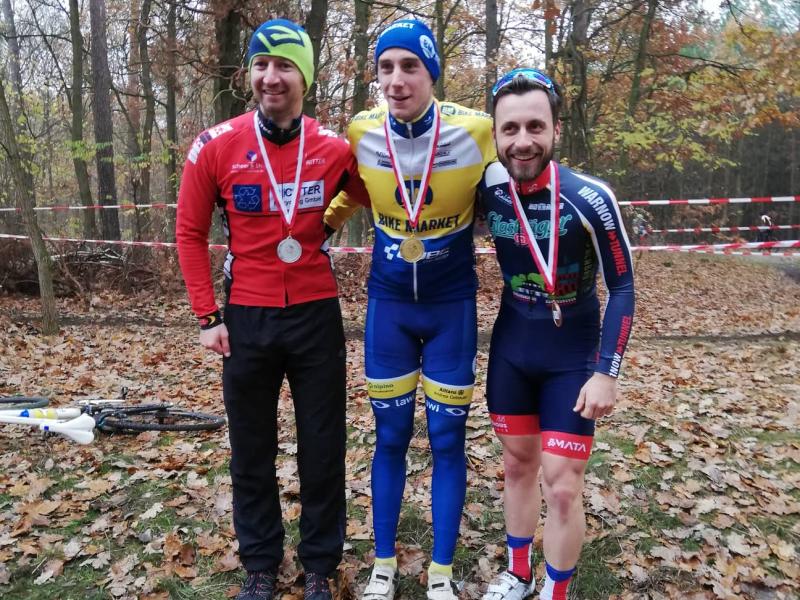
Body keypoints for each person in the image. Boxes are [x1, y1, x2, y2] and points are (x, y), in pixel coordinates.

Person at [176, 18, 369, 600]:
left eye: (285, 65)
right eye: (261, 64)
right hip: (246, 317)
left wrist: (328, 222)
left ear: (305, 77)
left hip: (315, 315)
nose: (271, 77)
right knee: (251, 446)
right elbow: (189, 233)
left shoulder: (335, 147)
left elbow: (370, 192)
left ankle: (319, 566)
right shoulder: (216, 145)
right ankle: (260, 563)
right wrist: (208, 316)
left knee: (323, 446)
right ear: (249, 74)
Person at [324, 19, 496, 600]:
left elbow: (514, 191)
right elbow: (349, 191)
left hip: (452, 309)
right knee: (391, 435)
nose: (396, 80)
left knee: (447, 439)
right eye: (386, 68)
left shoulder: (477, 129)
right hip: (390, 308)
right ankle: (383, 565)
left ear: (432, 74)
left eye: (410, 67)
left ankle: (441, 574)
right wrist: (314, 231)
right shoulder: (362, 130)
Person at [478, 68, 635, 600]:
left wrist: (607, 372)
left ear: (556, 129)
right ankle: (518, 573)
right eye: (510, 129)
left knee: (563, 484)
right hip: (512, 346)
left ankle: (556, 591)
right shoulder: (488, 187)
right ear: (495, 134)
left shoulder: (590, 197)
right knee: (517, 465)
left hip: (573, 352)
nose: (522, 141)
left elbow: (623, 287)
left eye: (535, 127)